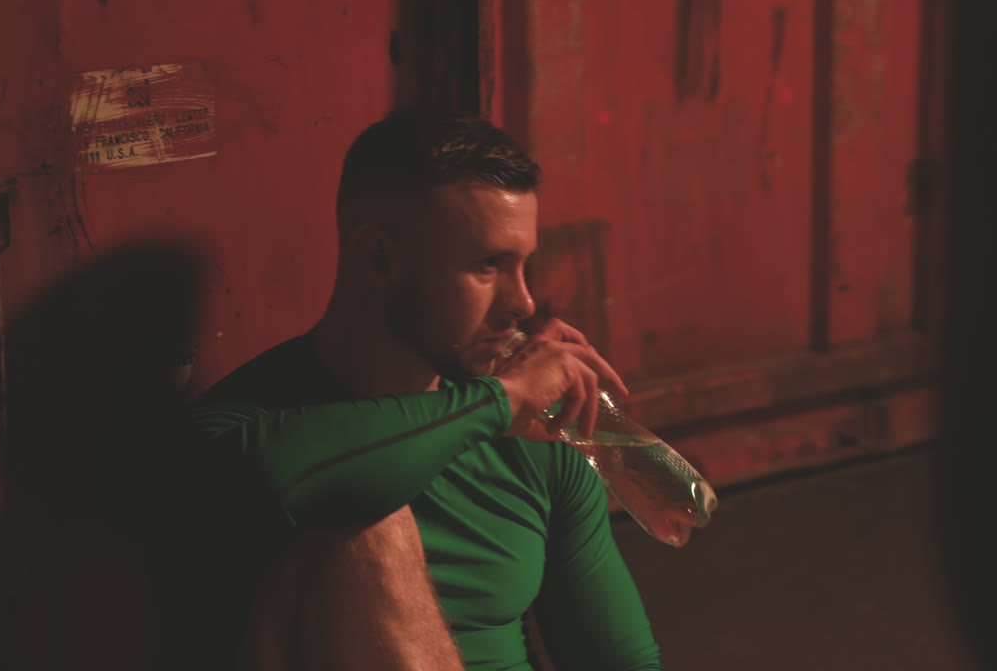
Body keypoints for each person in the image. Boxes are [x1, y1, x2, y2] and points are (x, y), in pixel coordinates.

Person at [149, 110, 664, 670]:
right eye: (488, 266)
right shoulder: (235, 434)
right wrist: (501, 400)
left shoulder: (535, 440)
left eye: (523, 266)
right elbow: (286, 483)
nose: (524, 303)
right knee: (367, 523)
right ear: (379, 259)